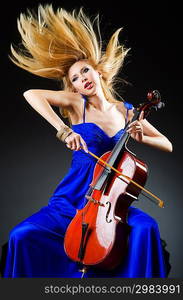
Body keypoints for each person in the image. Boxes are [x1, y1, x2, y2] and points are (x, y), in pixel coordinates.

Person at [2, 4, 172, 278]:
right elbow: (31, 93)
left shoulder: (127, 110)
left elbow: (168, 143)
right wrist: (64, 130)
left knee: (145, 228)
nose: (82, 79)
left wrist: (142, 136)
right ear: (75, 87)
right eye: (76, 79)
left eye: (85, 72)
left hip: (110, 202)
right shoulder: (75, 103)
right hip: (71, 198)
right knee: (22, 235)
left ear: (98, 71)